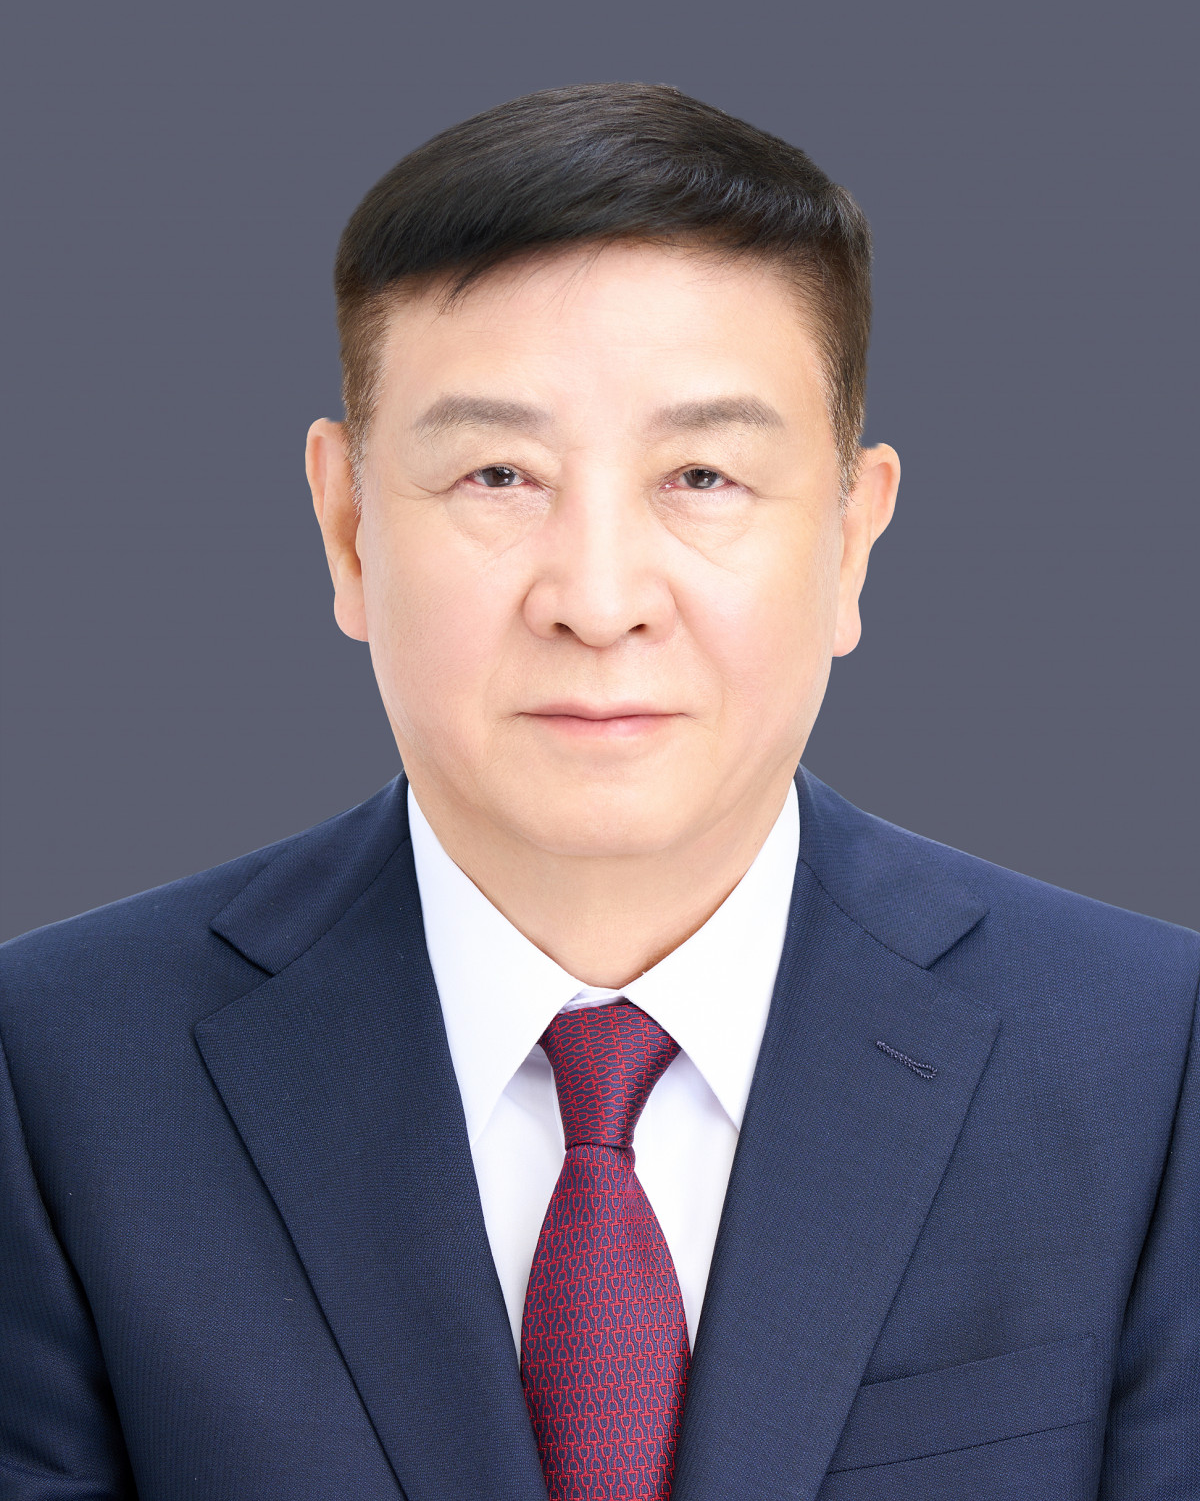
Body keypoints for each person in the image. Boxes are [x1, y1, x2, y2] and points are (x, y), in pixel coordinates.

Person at [0, 82, 1196, 1501]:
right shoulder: (57, 1069)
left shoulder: (1150, 1058)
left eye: (703, 474)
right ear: (349, 528)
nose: (599, 597)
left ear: (851, 539)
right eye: (499, 474)